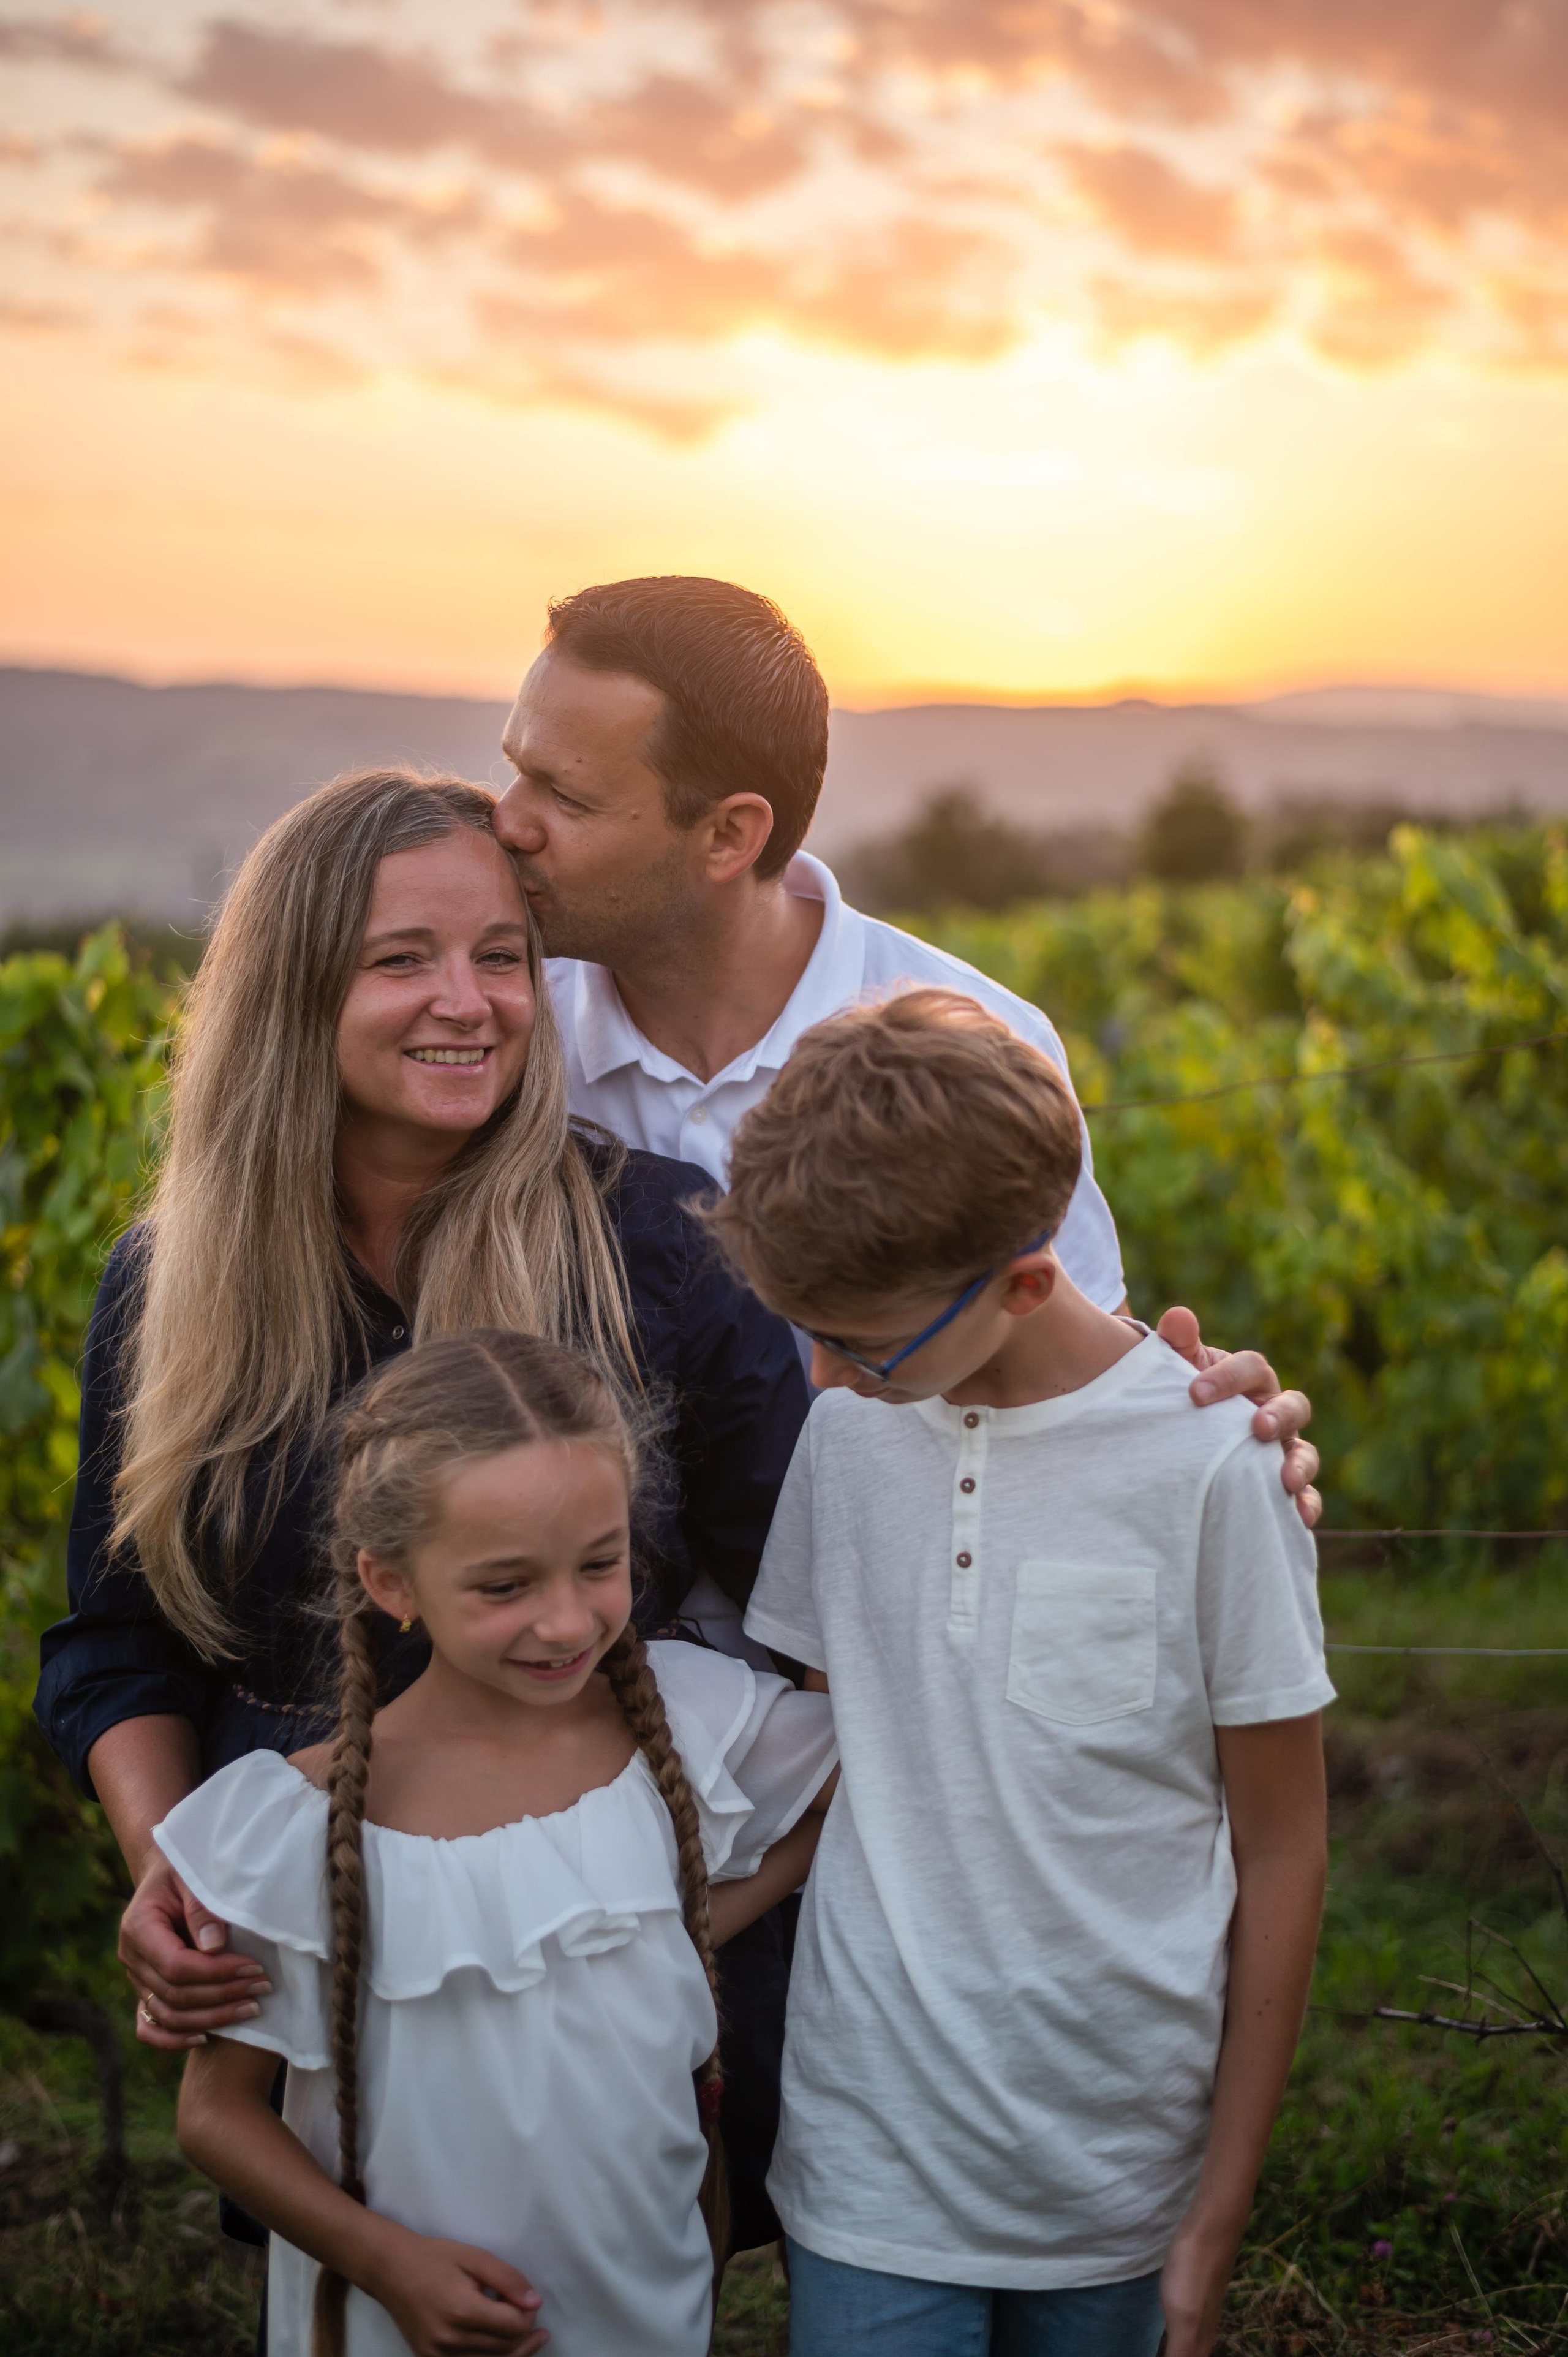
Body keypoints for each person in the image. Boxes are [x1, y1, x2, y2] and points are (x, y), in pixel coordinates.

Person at [32, 770, 808, 2244]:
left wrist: (1142, 1410)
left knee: (605, 2285)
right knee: (368, 2285)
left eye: (501, 955)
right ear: (294, 991)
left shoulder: (654, 1243)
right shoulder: (172, 1281)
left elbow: (818, 1593)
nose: (469, 1002)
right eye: (402, 958)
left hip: (590, 1899)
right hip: (311, 1924)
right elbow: (117, 1643)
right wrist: (180, 1873)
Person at [491, 575, 1322, 1668]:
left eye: (566, 796)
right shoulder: (495, 1037)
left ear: (729, 834)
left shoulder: (971, 1044)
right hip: (571, 1662)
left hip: (907, 1658)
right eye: (515, 768)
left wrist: (1211, 1443)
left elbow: (1068, 1383)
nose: (508, 820)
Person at [702, 989, 1334, 2357]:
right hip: (869, 2155)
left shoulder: (1212, 1468)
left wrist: (1216, 2210)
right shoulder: (846, 1441)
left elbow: (1283, 1843)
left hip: (1115, 2171)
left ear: (1025, 1284)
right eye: (808, 1330)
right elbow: (837, 1759)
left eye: (863, 1341)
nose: (825, 1373)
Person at [162, 1327, 837, 2357]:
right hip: (403, 2324)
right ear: (392, 1583)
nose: (566, 1623)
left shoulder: (687, 1719)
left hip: (642, 2314)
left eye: (600, 1564)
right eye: (505, 1586)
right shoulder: (300, 1824)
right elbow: (217, 2114)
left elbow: (846, 1791)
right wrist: (387, 2263)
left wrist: (668, 1930)